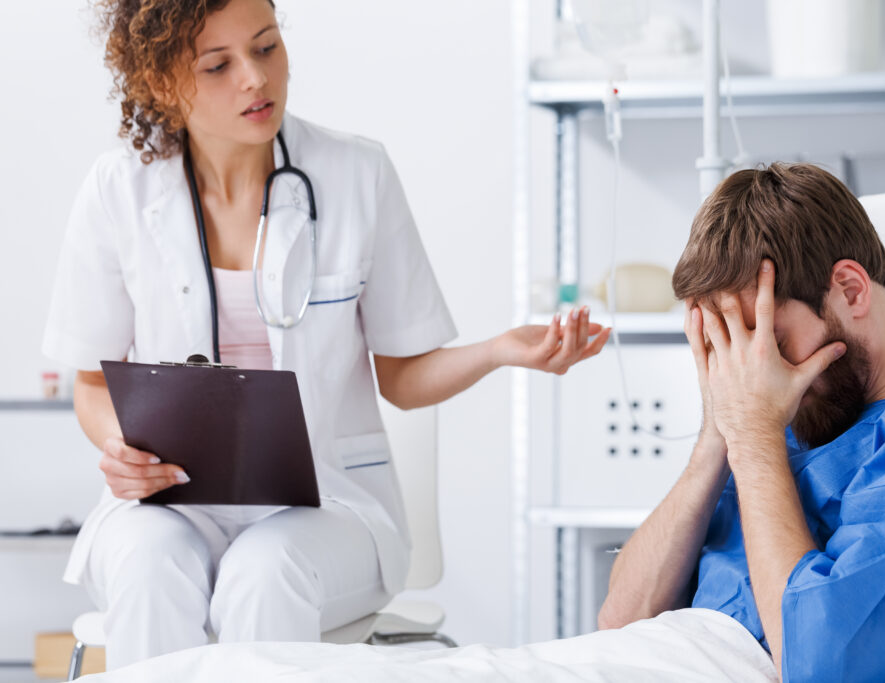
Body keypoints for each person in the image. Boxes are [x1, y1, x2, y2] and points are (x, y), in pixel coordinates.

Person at [42, 0, 610, 670]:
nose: (256, 78)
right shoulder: (118, 191)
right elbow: (89, 382)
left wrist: (499, 351)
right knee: (147, 563)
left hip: (322, 508)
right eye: (219, 64)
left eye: (267, 47)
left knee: (265, 566)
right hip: (170, 501)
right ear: (163, 81)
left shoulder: (355, 174)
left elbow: (401, 377)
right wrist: (118, 445)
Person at [598, 163, 885, 681]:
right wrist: (720, 429)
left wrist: (753, 440)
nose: (752, 371)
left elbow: (820, 666)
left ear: (849, 289)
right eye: (726, 349)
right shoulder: (776, 416)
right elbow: (619, 619)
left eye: (768, 342)